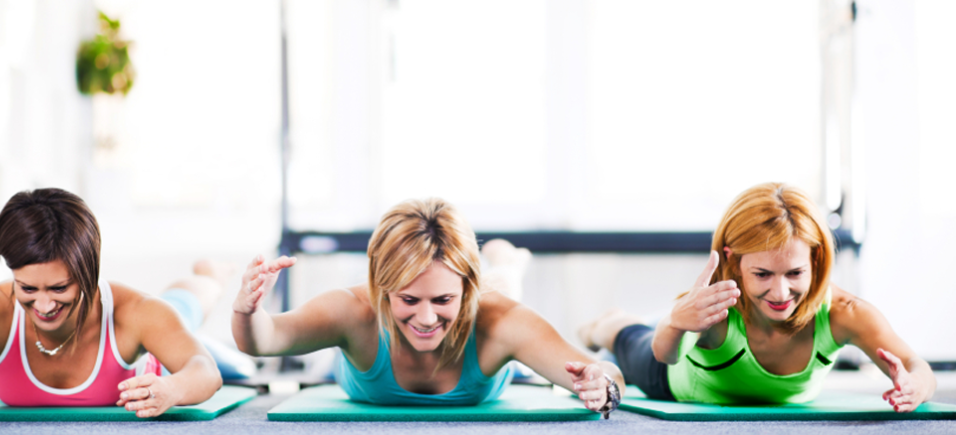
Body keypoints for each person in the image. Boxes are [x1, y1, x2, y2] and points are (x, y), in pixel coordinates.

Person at [232, 198, 625, 417]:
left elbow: (607, 376)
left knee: (503, 289)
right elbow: (264, 340)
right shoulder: (351, 310)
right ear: (381, 286)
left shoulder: (502, 321)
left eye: (443, 299)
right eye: (408, 299)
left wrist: (602, 386)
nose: (425, 318)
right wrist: (248, 311)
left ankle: (507, 263)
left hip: (490, 313)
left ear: (467, 288)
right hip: (345, 372)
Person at [578, 182, 936, 411]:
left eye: (794, 273)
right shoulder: (715, 310)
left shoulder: (846, 313)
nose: (780, 293)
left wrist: (916, 385)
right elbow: (665, 354)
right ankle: (605, 323)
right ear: (733, 260)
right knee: (627, 337)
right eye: (763, 274)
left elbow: (917, 367)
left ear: (815, 259)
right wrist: (675, 324)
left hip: (691, 331)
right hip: (670, 377)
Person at [0, 188, 222, 418]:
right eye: (27, 288)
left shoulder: (135, 311)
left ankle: (211, 276)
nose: (43, 305)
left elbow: (206, 371)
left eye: (59, 288)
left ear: (89, 272)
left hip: (160, 351)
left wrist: (172, 388)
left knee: (184, 305)